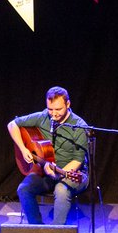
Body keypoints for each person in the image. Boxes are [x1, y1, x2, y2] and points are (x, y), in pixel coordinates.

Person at [7, 86, 90, 225]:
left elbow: (78, 160)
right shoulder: (43, 117)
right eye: (50, 109)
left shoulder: (79, 126)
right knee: (24, 189)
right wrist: (23, 149)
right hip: (46, 173)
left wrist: (58, 174)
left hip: (73, 174)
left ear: (68, 104)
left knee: (61, 190)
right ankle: (38, 230)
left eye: (58, 109)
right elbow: (12, 125)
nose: (54, 114)